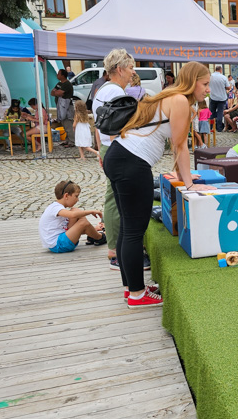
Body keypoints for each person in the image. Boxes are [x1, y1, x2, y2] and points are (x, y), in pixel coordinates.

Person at [104, 60, 210, 308]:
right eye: (205, 84)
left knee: (127, 228)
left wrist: (185, 177)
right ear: (193, 81)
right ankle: (138, 294)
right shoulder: (181, 101)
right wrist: (188, 183)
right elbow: (180, 144)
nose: (207, 90)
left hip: (119, 156)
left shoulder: (167, 96)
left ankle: (132, 287)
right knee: (133, 230)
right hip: (132, 163)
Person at [91, 49, 137, 270]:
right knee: (116, 200)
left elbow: (99, 126)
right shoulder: (115, 93)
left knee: (113, 196)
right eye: (130, 68)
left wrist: (101, 150)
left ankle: (114, 249)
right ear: (119, 69)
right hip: (116, 149)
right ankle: (115, 251)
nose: (132, 73)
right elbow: (119, 129)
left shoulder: (102, 89)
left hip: (107, 149)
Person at [39, 180, 106, 253]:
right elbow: (73, 215)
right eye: (76, 196)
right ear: (66, 196)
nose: (78, 199)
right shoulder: (55, 208)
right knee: (82, 222)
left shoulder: (57, 206)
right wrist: (91, 211)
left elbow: (71, 225)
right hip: (58, 245)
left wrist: (93, 229)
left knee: (75, 210)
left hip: (61, 240)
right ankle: (100, 237)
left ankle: (93, 235)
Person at [51, 69, 75, 146]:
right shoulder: (59, 84)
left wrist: (56, 92)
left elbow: (58, 92)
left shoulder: (67, 84)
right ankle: (67, 140)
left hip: (67, 107)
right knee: (64, 124)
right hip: (60, 107)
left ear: (63, 75)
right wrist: (56, 92)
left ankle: (72, 141)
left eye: (58, 74)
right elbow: (52, 92)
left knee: (68, 124)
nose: (57, 75)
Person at [208, 65, 229, 132]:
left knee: (211, 112)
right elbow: (228, 87)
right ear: (220, 70)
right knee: (220, 112)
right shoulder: (223, 77)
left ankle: (211, 127)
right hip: (222, 98)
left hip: (213, 97)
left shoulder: (210, 77)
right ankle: (219, 128)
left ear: (215, 69)